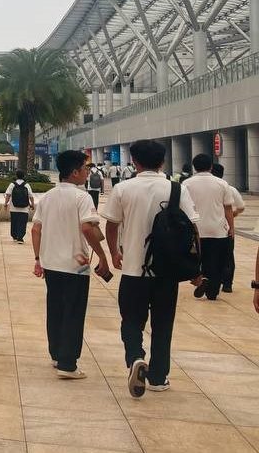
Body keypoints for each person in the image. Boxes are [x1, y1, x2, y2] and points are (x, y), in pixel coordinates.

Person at [103, 139, 199, 397]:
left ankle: (135, 357)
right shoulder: (176, 189)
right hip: (167, 271)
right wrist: (195, 268)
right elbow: (193, 228)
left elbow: (111, 224)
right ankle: (158, 377)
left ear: (134, 161)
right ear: (162, 162)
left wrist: (114, 251)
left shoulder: (123, 189)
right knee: (163, 325)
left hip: (133, 269)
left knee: (131, 321)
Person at [32, 149, 111, 379]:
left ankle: (57, 354)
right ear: (75, 172)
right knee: (74, 312)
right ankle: (68, 364)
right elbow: (87, 227)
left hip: (51, 262)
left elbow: (36, 229)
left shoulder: (48, 196)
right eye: (85, 168)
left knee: (55, 309)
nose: (87, 172)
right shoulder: (81, 197)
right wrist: (102, 255)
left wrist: (38, 258)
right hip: (76, 263)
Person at [184, 155, 234, 301]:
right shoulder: (222, 183)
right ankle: (212, 291)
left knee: (195, 259)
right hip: (217, 230)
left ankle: (200, 278)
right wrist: (231, 228)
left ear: (194, 167)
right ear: (211, 166)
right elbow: (228, 208)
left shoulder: (186, 184)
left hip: (195, 231)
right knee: (217, 262)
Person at [212, 163, 242, 293]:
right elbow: (241, 207)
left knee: (212, 256)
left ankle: (213, 283)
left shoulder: (208, 188)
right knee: (228, 257)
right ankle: (227, 284)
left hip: (209, 229)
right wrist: (233, 215)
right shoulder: (230, 188)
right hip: (226, 228)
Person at [4, 170, 36, 244]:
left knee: (14, 222)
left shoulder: (12, 184)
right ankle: (20, 238)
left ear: (16, 176)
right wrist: (32, 204)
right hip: (24, 209)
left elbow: (8, 195)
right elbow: (31, 196)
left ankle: (14, 236)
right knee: (22, 223)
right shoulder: (27, 185)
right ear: (23, 176)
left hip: (13, 208)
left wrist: (5, 204)